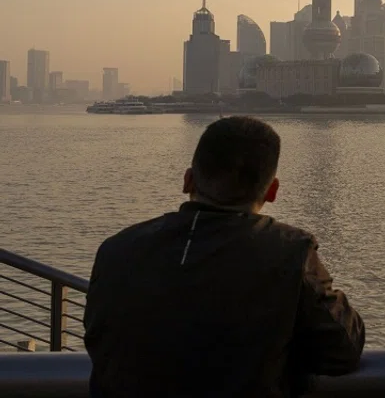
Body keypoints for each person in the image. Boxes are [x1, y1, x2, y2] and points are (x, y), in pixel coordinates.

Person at [83, 116, 365, 398]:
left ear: (188, 179)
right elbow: (344, 348)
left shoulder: (116, 250)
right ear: (272, 190)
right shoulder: (291, 252)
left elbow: (98, 339)